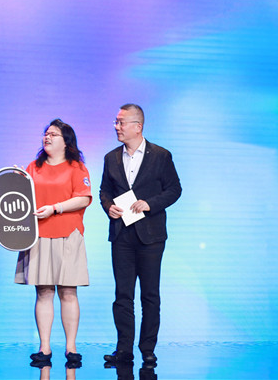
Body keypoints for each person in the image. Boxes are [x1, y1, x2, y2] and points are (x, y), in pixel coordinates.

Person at [99, 104, 181, 367]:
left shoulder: (161, 156)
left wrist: (150, 204)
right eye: (116, 122)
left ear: (138, 126)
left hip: (151, 236)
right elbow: (104, 191)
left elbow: (174, 190)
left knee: (150, 295)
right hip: (121, 234)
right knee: (123, 295)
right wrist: (108, 206)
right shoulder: (111, 158)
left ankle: (148, 349)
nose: (116, 127)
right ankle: (124, 349)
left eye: (121, 122)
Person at [15, 118, 92, 365]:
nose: (47, 137)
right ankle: (45, 348)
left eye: (53, 134)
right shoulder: (33, 167)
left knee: (68, 292)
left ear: (66, 142)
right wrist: (13, 182)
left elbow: (83, 198)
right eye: (45, 133)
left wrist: (55, 208)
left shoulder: (77, 167)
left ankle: (71, 348)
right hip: (38, 236)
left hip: (68, 234)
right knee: (44, 291)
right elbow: (20, 199)